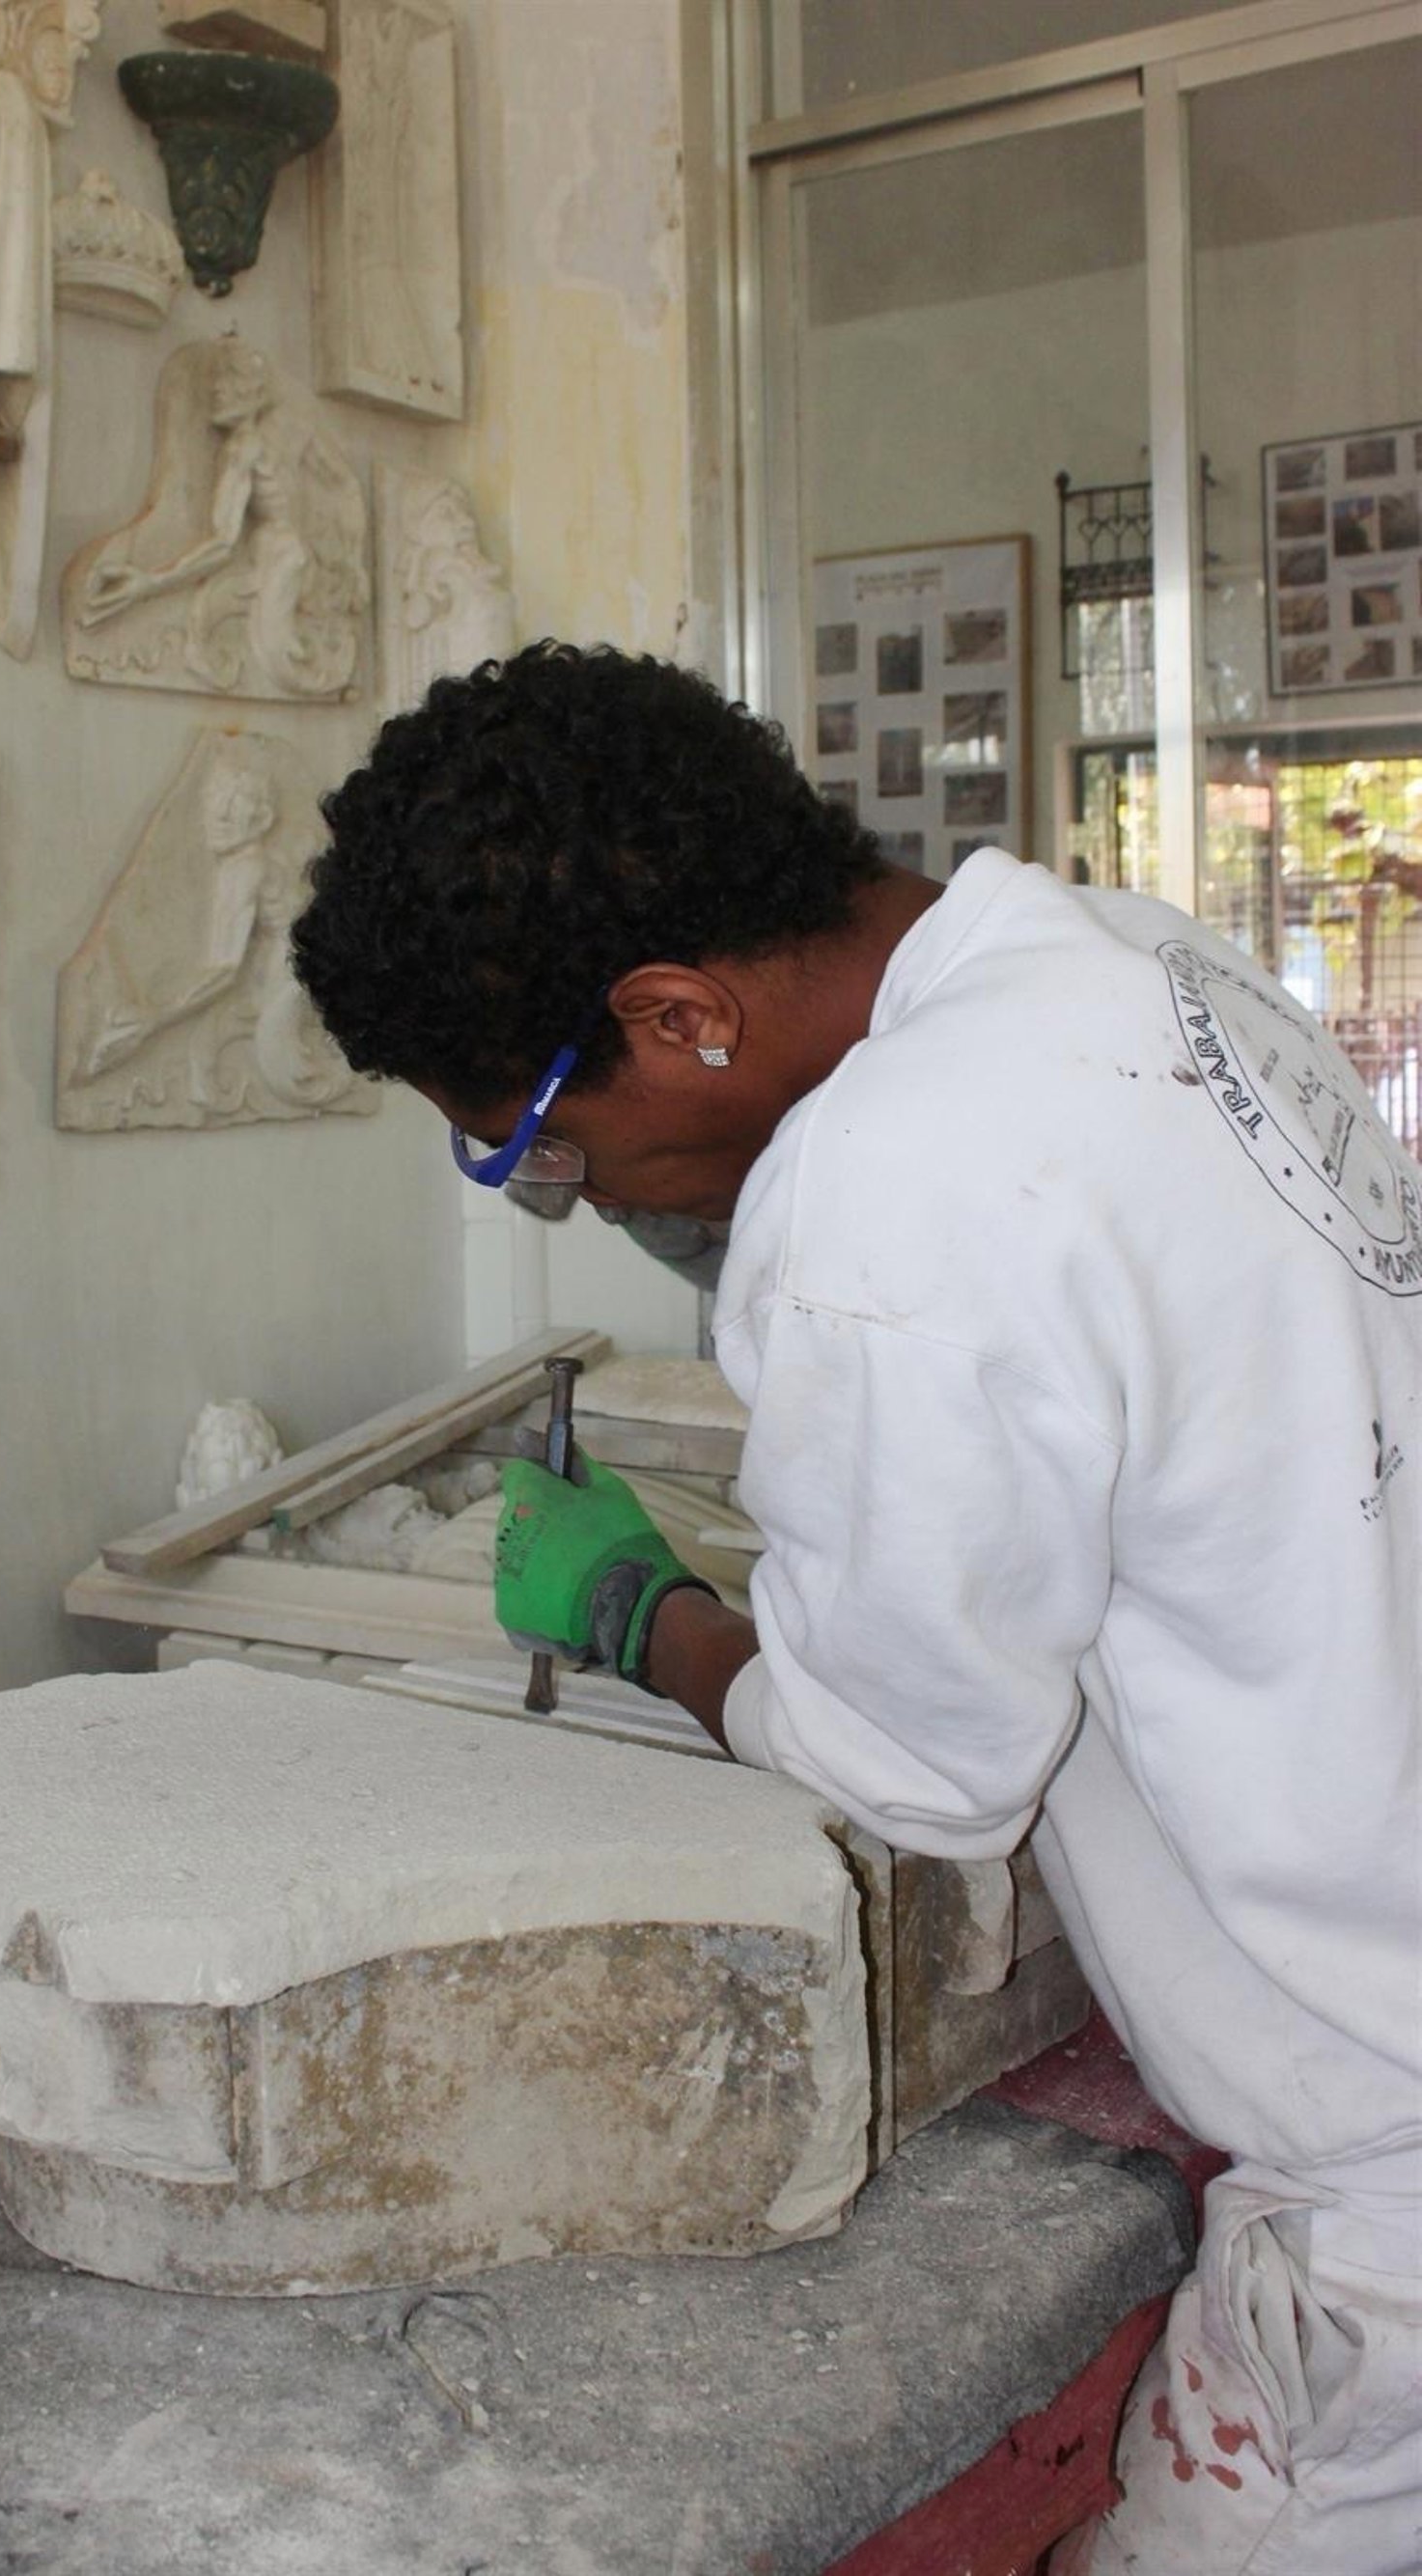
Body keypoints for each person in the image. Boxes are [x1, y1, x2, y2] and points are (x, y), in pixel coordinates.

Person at [292, 643, 1422, 2576]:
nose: (576, 1189)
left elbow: (911, 1767)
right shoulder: (1132, 961)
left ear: (678, 1015)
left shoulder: (891, 1180)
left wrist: (642, 1609)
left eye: (540, 1142)